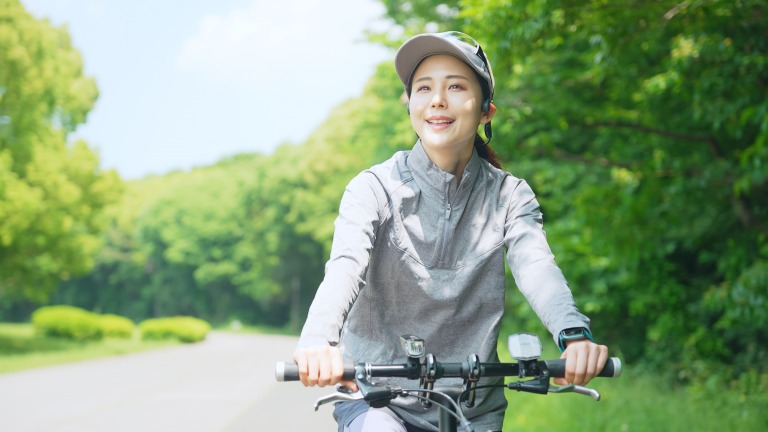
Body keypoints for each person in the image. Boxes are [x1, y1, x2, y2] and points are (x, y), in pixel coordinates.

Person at [293, 31, 609, 432]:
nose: (438, 99)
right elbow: (344, 266)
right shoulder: (373, 188)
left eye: (456, 86)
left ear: (486, 112)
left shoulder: (509, 195)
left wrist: (573, 336)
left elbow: (537, 267)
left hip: (473, 407)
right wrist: (319, 342)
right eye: (424, 88)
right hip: (377, 399)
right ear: (411, 105)